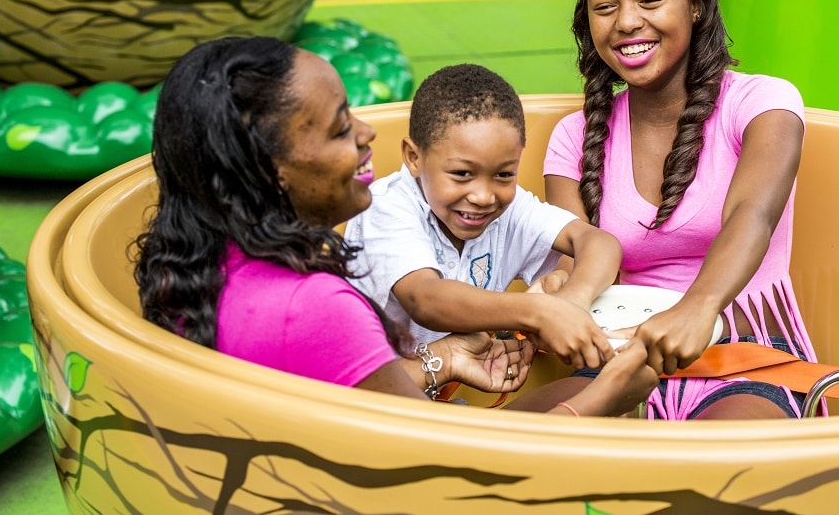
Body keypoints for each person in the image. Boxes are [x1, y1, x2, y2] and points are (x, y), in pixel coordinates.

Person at [135, 36, 657, 417]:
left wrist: (445, 358)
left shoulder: (205, 267)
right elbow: (441, 472)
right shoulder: (314, 308)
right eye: (342, 126)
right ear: (269, 167)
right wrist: (597, 401)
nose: (366, 134)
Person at [543, 0, 818, 420]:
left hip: (746, 353)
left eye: (649, 1)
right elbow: (572, 261)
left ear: (695, 3)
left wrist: (699, 306)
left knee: (727, 476)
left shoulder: (762, 103)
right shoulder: (573, 137)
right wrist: (557, 293)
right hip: (619, 359)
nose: (626, 22)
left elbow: (751, 215)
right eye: (606, 7)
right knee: (507, 444)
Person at [343, 63, 621, 371]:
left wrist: (574, 300)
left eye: (503, 174)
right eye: (462, 174)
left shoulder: (510, 210)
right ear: (414, 157)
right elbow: (426, 299)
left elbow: (597, 241)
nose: (483, 196)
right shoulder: (387, 207)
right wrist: (540, 312)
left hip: (446, 393)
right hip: (369, 393)